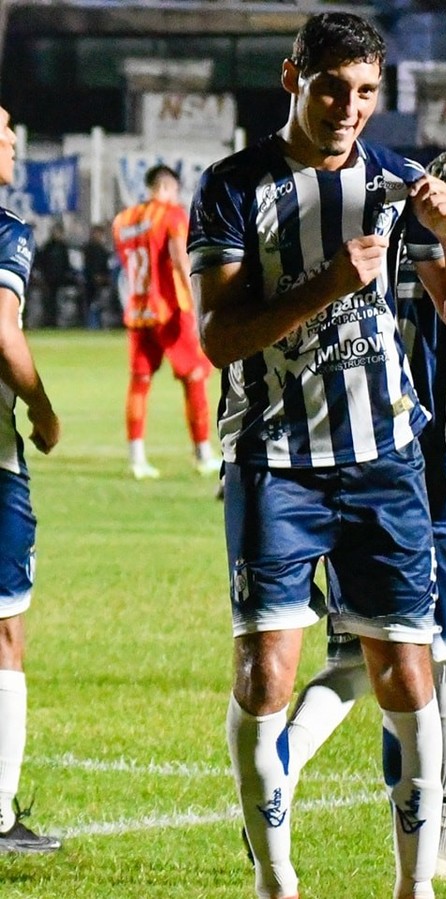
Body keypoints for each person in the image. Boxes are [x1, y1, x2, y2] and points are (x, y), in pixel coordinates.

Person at [187, 13, 446, 899]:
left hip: (384, 461)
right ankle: (277, 883)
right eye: (332, 87)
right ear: (294, 78)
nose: (348, 108)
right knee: (265, 671)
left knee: (404, 668)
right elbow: (219, 336)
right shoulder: (233, 187)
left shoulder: (401, 183)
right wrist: (329, 281)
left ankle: (413, 885)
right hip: (273, 459)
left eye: (365, 92)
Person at [285, 147, 446, 881]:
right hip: (427, 489)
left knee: (355, 655)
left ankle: (274, 768)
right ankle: (443, 841)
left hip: (351, 471)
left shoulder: (379, 254)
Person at [0, 103, 62, 853]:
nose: (12, 145)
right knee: (5, 635)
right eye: (2, 136)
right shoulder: (5, 230)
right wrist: (44, 411)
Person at [112, 164, 221, 480]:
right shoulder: (172, 215)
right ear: (168, 188)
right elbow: (179, 258)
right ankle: (202, 454)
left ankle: (136, 457)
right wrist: (198, 302)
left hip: (137, 311)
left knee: (139, 382)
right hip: (170, 311)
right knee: (195, 378)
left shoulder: (123, 221)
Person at [35, 221, 73, 328]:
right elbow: (42, 263)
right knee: (48, 302)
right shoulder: (48, 247)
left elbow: (66, 264)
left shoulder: (63, 247)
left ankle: (56, 322)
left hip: (60, 279)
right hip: (48, 279)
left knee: (58, 302)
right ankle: (48, 321)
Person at [82, 224, 111, 329]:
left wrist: (105, 277)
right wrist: (94, 276)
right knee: (90, 303)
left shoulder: (102, 250)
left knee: (100, 304)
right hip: (90, 282)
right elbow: (88, 266)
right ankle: (90, 324)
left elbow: (105, 265)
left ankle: (99, 324)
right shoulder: (89, 249)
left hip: (101, 281)